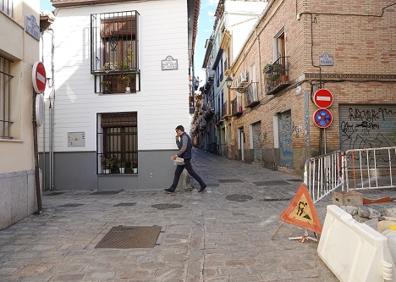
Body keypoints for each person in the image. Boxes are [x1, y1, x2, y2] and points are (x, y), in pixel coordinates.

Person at [165, 125, 207, 193]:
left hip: (185, 158)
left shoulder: (185, 137)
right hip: (183, 158)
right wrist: (176, 139)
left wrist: (176, 155)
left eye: (176, 131)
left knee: (191, 172)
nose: (176, 133)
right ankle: (172, 188)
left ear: (179, 130)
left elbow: (184, 148)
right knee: (177, 173)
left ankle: (203, 184)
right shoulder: (182, 137)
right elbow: (180, 147)